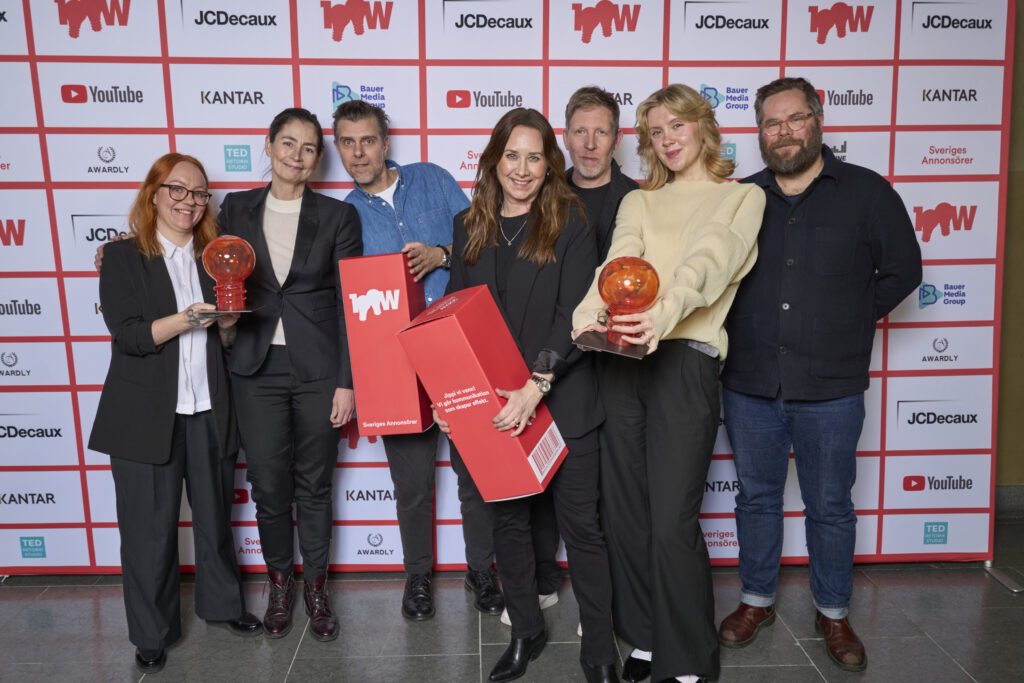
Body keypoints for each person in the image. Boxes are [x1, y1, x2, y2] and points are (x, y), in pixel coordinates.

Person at [717, 77, 921, 672]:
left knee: (830, 505)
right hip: (749, 382)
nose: (783, 132)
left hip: (832, 388)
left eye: (795, 119)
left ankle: (833, 613)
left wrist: (849, 321)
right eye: (771, 123)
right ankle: (756, 600)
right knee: (756, 500)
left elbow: (904, 269)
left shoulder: (867, 191)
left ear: (818, 121)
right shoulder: (741, 198)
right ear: (759, 132)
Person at [573, 84, 766, 683]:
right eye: (655, 132)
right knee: (627, 514)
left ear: (703, 126)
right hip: (623, 358)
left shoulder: (742, 198)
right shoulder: (639, 200)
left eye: (677, 126)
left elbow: (708, 262)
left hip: (684, 358)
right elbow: (619, 263)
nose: (667, 140)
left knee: (671, 520)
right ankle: (647, 638)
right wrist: (588, 315)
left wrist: (663, 314)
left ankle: (687, 657)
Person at [438, 107, 617, 683]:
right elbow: (454, 318)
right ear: (493, 161)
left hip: (563, 399)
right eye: (511, 155)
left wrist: (536, 384)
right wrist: (448, 396)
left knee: (582, 529)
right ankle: (525, 631)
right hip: (495, 406)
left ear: (549, 164)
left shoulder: (571, 221)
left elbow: (577, 313)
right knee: (509, 526)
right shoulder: (469, 225)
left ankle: (599, 650)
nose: (521, 168)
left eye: (534, 157)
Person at [89, 153, 261, 674]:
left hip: (209, 408)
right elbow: (128, 336)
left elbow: (228, 339)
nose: (190, 201)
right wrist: (187, 319)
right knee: (148, 532)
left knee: (214, 520)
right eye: (178, 190)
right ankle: (152, 633)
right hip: (143, 417)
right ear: (154, 194)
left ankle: (224, 606)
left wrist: (226, 325)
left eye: (200, 193)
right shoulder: (122, 257)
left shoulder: (218, 258)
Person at [331, 100, 503, 621]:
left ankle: (481, 570)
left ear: (386, 143)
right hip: (394, 361)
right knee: (411, 484)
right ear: (338, 148)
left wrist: (440, 254)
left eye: (368, 140)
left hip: (458, 347)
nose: (359, 153)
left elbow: (482, 242)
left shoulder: (432, 178)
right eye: (347, 143)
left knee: (478, 473)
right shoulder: (343, 216)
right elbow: (347, 305)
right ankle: (418, 577)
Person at [497, 85, 644, 631]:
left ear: (616, 138)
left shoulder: (637, 199)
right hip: (556, 364)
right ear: (564, 137)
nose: (589, 142)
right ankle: (542, 582)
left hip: (618, 367)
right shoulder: (543, 195)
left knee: (602, 493)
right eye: (579, 131)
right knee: (538, 484)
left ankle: (602, 603)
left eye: (601, 131)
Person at [217, 107, 363, 642]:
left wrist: (347, 380)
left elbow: (350, 304)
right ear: (269, 145)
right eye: (287, 143)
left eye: (308, 148)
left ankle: (316, 589)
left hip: (320, 369)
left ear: (317, 159)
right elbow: (196, 259)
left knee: (315, 486)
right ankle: (279, 585)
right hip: (255, 366)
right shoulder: (235, 208)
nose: (296, 156)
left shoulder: (338, 216)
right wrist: (124, 248)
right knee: (269, 485)